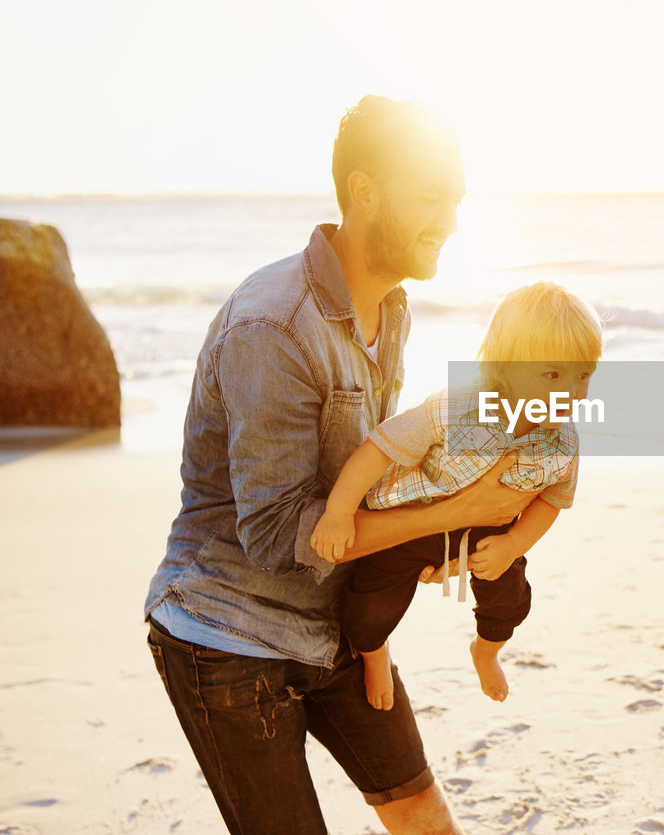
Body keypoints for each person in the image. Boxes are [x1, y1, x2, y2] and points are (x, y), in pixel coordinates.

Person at [143, 95, 538, 835]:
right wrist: (455, 513)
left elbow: (377, 475)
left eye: (456, 201)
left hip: (333, 626)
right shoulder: (272, 327)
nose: (450, 221)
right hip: (225, 633)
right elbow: (277, 537)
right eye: (430, 198)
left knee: (423, 816)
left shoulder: (389, 310)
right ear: (365, 192)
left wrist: (390, 616)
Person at [310, 281, 602, 708]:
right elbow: (377, 448)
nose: (571, 391)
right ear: (505, 365)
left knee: (511, 601)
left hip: (493, 535)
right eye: (552, 374)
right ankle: (375, 654)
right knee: (368, 607)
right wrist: (339, 511)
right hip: (415, 518)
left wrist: (514, 544)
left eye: (583, 375)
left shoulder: (563, 443)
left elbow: (552, 499)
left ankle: (485, 652)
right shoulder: (455, 409)